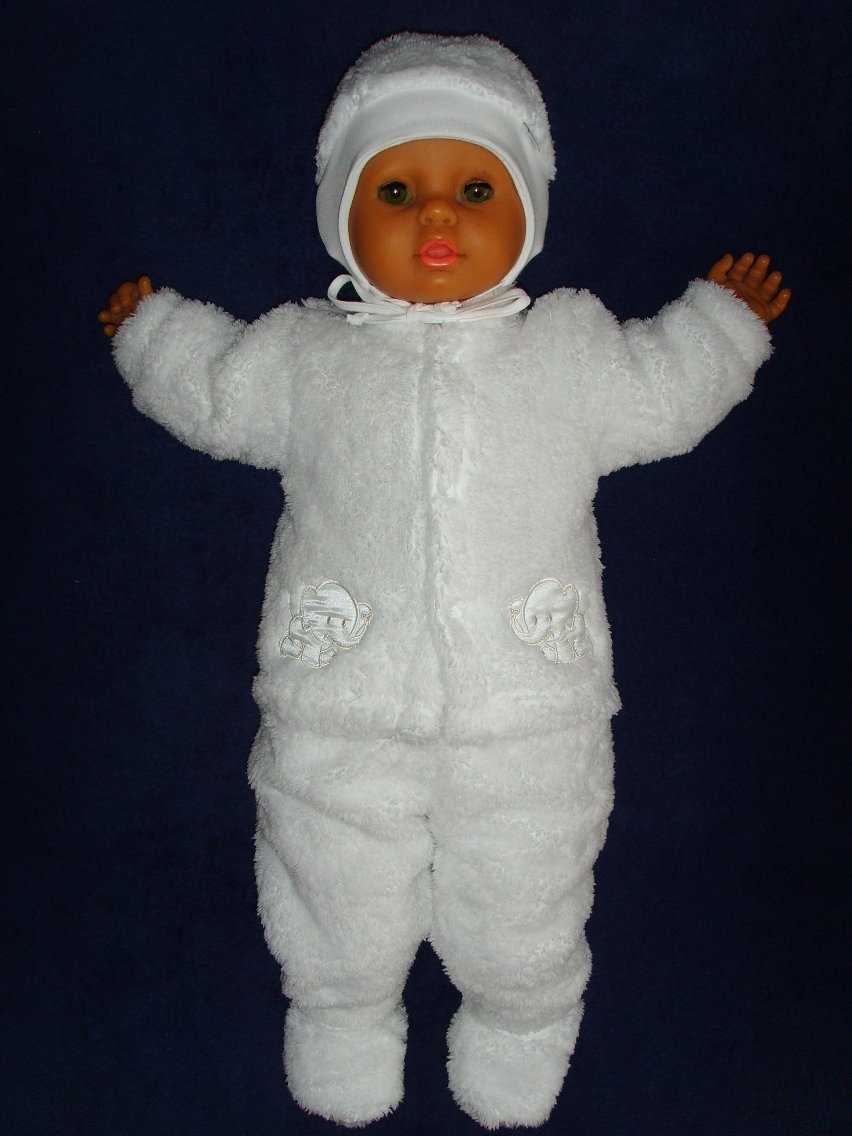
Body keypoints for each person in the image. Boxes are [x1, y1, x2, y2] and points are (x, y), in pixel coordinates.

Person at [98, 32, 789, 1130]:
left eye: (475, 189)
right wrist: (154, 335)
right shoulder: (307, 357)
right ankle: (340, 1008)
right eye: (395, 189)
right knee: (329, 875)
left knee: (529, 892)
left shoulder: (568, 353)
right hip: (338, 705)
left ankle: (522, 1015)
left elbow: (663, 394)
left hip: (530, 712)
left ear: (526, 215)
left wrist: (721, 324)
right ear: (341, 216)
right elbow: (219, 391)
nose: (435, 215)